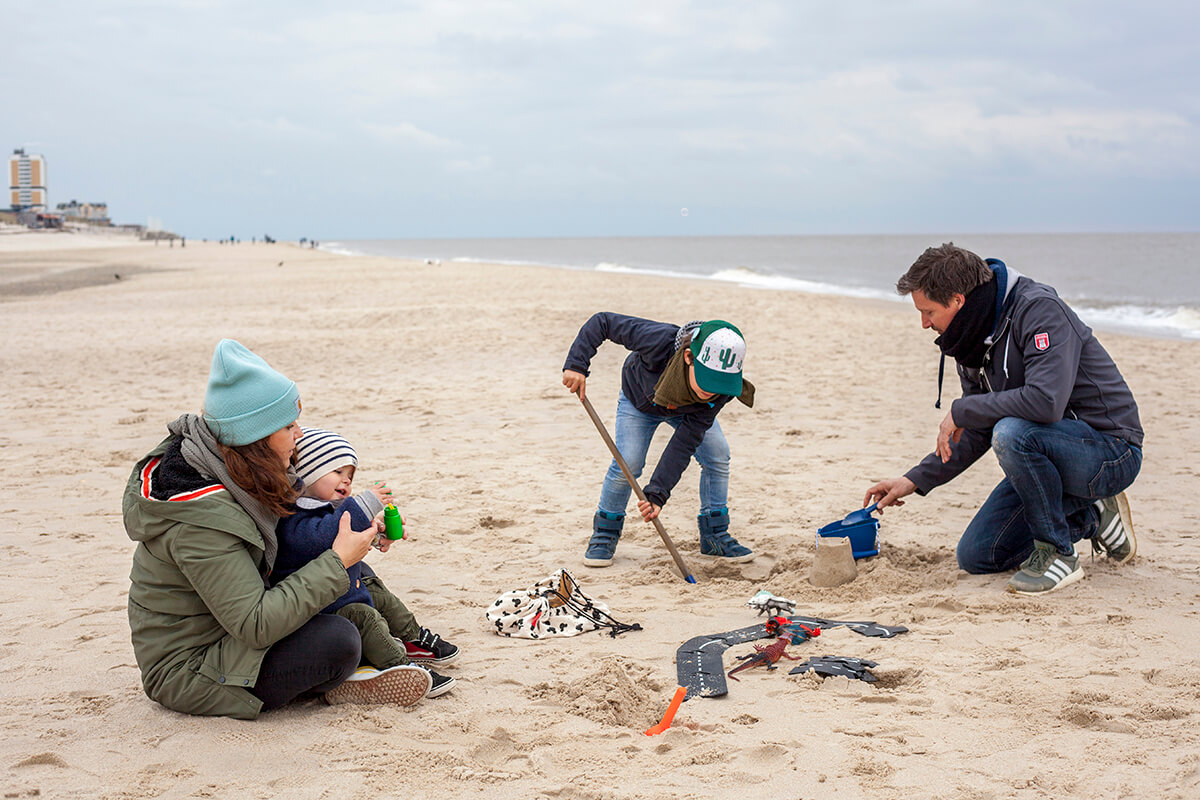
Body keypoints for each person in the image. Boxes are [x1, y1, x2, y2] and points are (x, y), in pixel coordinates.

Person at [123, 339, 432, 719]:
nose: (300, 435)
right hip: (194, 667)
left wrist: (357, 532)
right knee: (338, 641)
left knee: (358, 577)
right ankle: (352, 671)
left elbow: (297, 534)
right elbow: (254, 624)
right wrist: (337, 559)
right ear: (254, 437)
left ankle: (387, 653)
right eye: (287, 426)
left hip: (231, 628)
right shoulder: (199, 517)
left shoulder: (239, 471)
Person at [864, 244, 1143, 595]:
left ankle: (1058, 553)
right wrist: (914, 479)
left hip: (1111, 452)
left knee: (1011, 433)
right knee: (978, 556)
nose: (924, 324)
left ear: (957, 300)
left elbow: (1045, 403)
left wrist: (962, 410)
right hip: (1043, 457)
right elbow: (978, 428)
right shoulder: (968, 337)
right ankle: (1091, 513)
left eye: (928, 311)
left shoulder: (1040, 310)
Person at [273, 427, 459, 698]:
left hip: (342, 591)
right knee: (366, 618)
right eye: (337, 472)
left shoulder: (325, 510)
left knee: (379, 593)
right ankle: (399, 665)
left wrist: (376, 532)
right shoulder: (293, 516)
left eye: (350, 476)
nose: (346, 482)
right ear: (308, 472)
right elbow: (320, 538)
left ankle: (413, 637)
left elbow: (340, 533)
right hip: (322, 610)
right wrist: (363, 506)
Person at [562, 314, 756, 567]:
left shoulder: (724, 390)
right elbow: (603, 322)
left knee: (718, 455)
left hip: (689, 413)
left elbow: (684, 443)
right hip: (640, 402)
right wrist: (577, 364)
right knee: (628, 463)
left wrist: (656, 495)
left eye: (720, 383)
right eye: (708, 379)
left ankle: (715, 535)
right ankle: (605, 533)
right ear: (689, 357)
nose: (713, 389)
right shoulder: (659, 340)